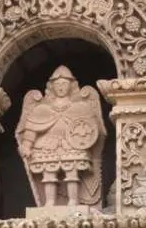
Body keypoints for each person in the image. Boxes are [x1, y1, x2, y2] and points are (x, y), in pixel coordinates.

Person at [16, 66, 106, 208]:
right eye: (57, 84)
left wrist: (84, 141)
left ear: (71, 85)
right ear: (51, 86)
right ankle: (50, 202)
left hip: (72, 144)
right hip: (47, 145)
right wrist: (27, 145)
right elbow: (32, 128)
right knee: (48, 173)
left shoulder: (81, 107)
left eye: (64, 83)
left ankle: (73, 201)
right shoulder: (41, 109)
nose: (61, 87)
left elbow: (91, 128)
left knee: (72, 172)